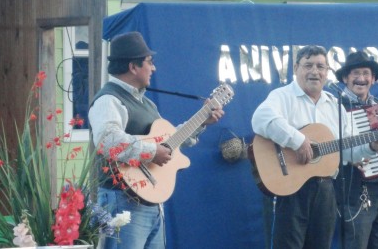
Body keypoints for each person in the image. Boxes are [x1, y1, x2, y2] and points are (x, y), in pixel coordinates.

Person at [88, 32, 224, 249]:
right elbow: (108, 141)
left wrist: (202, 121)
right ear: (133, 67)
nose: (154, 68)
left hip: (149, 202)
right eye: (149, 62)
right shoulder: (108, 100)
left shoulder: (147, 105)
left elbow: (170, 142)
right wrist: (152, 151)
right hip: (122, 202)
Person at [252, 45, 358, 249]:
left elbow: (349, 146)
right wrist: (298, 140)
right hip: (291, 188)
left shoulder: (335, 104)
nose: (315, 71)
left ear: (327, 72)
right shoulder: (282, 96)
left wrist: (372, 145)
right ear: (295, 68)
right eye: (308, 65)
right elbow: (260, 117)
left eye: (320, 66)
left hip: (326, 189)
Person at [334, 51, 378, 249]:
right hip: (355, 191)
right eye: (355, 73)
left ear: (373, 79)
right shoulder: (334, 106)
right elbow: (333, 148)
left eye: (366, 73)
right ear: (345, 78)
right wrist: (369, 147)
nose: (361, 78)